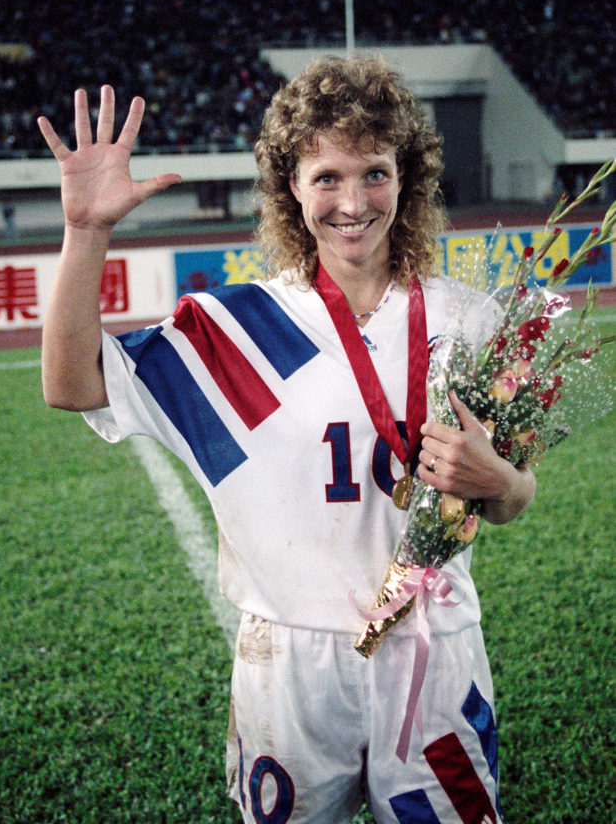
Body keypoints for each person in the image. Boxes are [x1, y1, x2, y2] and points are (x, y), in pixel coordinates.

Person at [39, 56, 535, 824]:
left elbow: (513, 497)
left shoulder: (471, 320)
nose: (352, 202)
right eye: (326, 178)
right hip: (289, 662)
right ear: (289, 188)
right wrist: (85, 231)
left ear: (406, 178)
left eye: (373, 172)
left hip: (435, 650)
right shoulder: (229, 327)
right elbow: (70, 384)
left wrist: (497, 481)